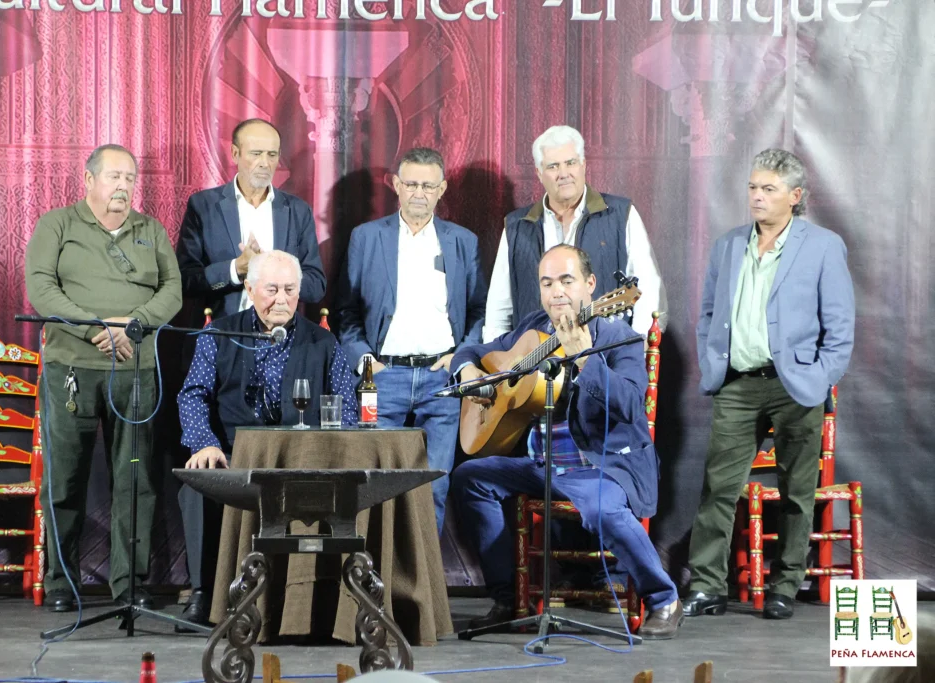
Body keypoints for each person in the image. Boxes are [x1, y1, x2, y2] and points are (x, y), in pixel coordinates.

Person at [450, 244, 682, 639]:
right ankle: (508, 599)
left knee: (601, 508)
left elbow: (629, 403)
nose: (556, 291)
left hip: (602, 466)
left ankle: (663, 599)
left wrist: (586, 359)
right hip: (542, 467)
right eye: (547, 282)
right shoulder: (533, 328)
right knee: (470, 477)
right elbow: (473, 351)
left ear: (591, 286)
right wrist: (467, 368)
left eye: (566, 280)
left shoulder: (619, 337)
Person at [685, 149, 855, 621]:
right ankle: (706, 586)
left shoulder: (822, 245)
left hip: (795, 384)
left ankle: (785, 585)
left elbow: (839, 327)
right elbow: (709, 316)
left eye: (769, 190)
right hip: (737, 384)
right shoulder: (728, 244)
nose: (757, 197)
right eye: (753, 188)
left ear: (795, 196)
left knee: (798, 491)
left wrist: (819, 378)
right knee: (718, 488)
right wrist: (711, 366)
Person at [24, 144, 182, 612]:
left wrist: (132, 325)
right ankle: (61, 584)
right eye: (114, 176)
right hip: (71, 370)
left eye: (130, 178)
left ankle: (128, 585)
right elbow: (41, 288)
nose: (123, 186)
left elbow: (172, 290)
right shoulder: (58, 225)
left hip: (135, 370)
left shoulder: (149, 229)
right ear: (88, 180)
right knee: (65, 478)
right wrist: (96, 328)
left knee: (135, 480)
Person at [175, 250, 358, 628]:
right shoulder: (219, 334)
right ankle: (203, 593)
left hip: (300, 459)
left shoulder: (321, 342)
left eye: (290, 290)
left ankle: (308, 600)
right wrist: (203, 443)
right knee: (196, 486)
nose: (281, 299)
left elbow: (348, 407)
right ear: (250, 288)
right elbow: (192, 394)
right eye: (271, 289)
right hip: (231, 455)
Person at [335, 147, 487, 535]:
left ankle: (425, 591)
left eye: (428, 185)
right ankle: (371, 582)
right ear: (396, 186)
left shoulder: (462, 241)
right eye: (412, 184)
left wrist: (459, 357)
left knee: (434, 486)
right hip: (382, 378)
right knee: (372, 483)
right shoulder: (366, 238)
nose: (419, 192)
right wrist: (366, 362)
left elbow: (478, 310)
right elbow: (346, 312)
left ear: (442, 189)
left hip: (443, 381)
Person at [483, 124, 667, 342]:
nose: (563, 174)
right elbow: (499, 308)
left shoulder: (621, 214)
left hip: (604, 357)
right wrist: (501, 363)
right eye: (553, 166)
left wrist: (637, 348)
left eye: (570, 163)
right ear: (539, 173)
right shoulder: (517, 226)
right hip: (533, 366)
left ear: (583, 165)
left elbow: (649, 288)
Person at [176, 118, 327, 317]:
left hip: (281, 335)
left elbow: (316, 286)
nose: (265, 163)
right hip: (222, 333)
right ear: (235, 154)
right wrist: (236, 269)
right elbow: (185, 280)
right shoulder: (203, 206)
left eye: (272, 155)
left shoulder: (298, 211)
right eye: (256, 154)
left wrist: (275, 274)